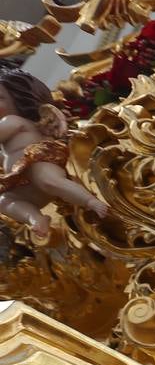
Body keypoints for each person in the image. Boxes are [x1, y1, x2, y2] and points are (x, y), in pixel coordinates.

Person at [0, 66, 109, 243]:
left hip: (39, 161)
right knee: (4, 201)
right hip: (23, 180)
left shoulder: (12, 120)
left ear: (18, 100)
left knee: (50, 180)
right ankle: (36, 218)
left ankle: (90, 201)